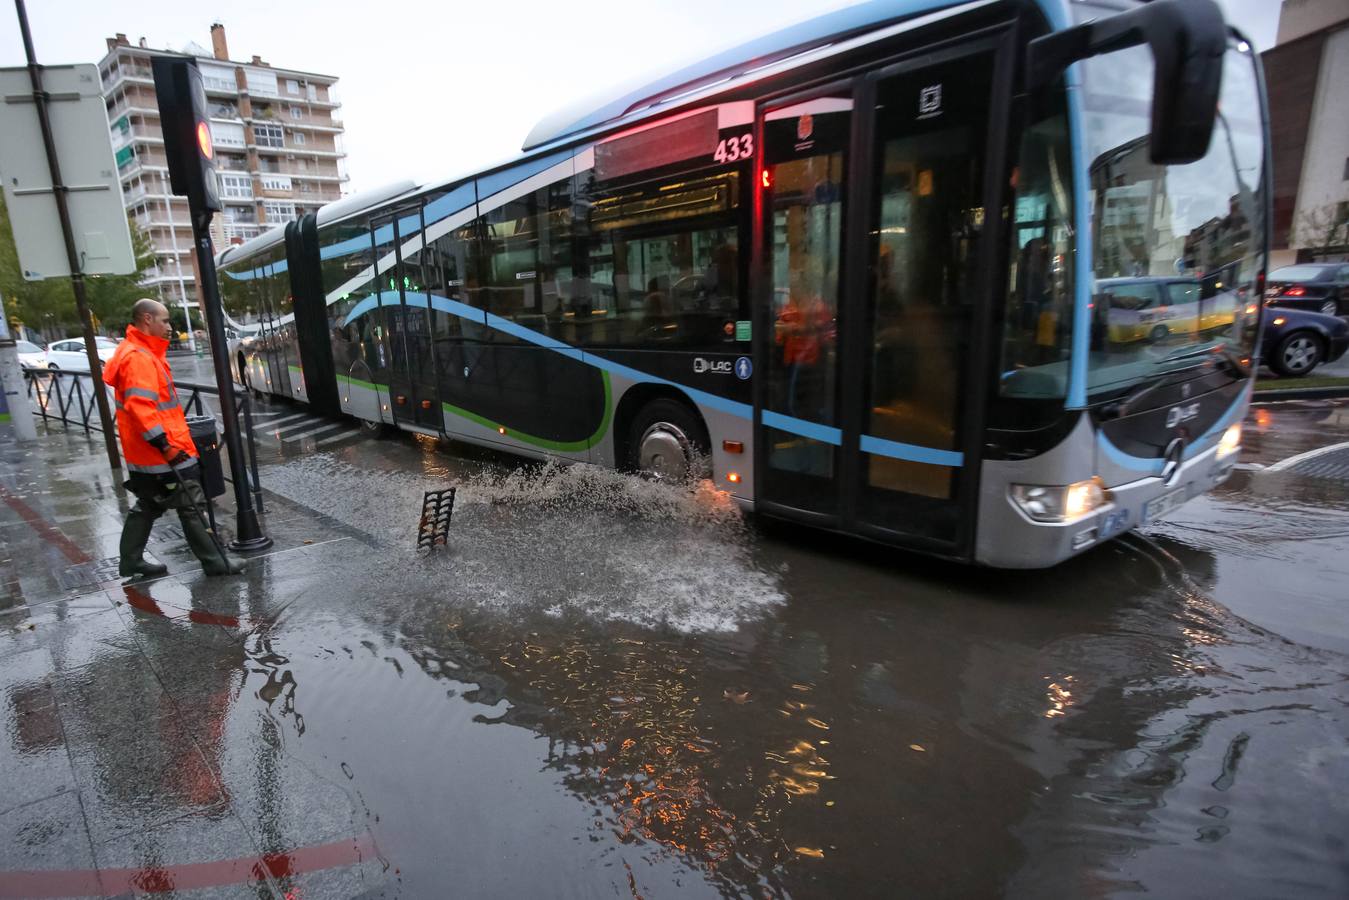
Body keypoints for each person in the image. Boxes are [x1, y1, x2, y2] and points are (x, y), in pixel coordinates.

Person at [103, 298, 242, 578]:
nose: (170, 326)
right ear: (146, 319)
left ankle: (131, 560)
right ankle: (216, 561)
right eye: (164, 320)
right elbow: (142, 409)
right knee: (192, 504)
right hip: (162, 453)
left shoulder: (136, 352)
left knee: (150, 504)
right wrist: (166, 447)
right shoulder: (139, 358)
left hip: (146, 454)